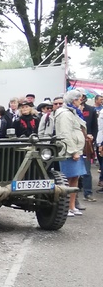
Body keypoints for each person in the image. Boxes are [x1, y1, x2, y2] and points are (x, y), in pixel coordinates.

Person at [53, 88, 87, 216]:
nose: (80, 102)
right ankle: (65, 207)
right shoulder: (65, 114)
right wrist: (73, 151)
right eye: (79, 99)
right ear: (74, 100)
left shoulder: (73, 112)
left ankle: (72, 206)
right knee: (66, 180)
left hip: (76, 150)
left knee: (75, 177)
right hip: (69, 151)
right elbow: (65, 134)